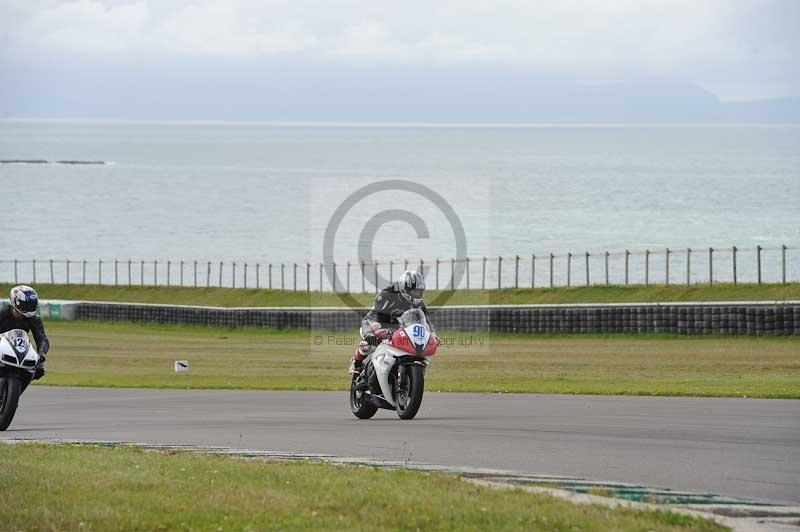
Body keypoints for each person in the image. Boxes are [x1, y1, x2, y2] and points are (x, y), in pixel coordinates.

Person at [348, 270, 435, 374]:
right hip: (374, 323)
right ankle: (356, 362)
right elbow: (374, 314)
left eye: (420, 291)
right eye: (414, 291)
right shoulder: (387, 294)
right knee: (370, 344)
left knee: (412, 347)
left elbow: (426, 319)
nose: (418, 294)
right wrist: (374, 330)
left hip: (396, 328)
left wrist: (432, 335)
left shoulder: (418, 302)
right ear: (405, 289)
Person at [0, 285, 49, 379]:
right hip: (1, 350)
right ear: (16, 302)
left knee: (39, 371)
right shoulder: (2, 314)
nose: (30, 308)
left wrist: (41, 355)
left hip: (19, 351)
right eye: (27, 305)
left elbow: (42, 338)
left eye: (32, 305)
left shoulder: (33, 319)